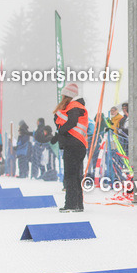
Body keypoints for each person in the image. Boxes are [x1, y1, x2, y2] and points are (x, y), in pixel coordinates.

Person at [51, 83, 88, 212]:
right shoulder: (77, 106)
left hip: (73, 145)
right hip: (78, 145)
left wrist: (60, 132)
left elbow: (72, 122)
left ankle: (71, 204)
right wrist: (58, 136)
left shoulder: (73, 106)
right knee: (76, 175)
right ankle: (78, 204)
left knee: (70, 176)